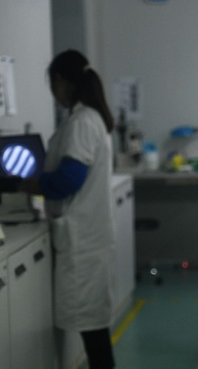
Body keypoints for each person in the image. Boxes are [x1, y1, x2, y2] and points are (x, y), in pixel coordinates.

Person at [19, 49, 116, 369]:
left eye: (52, 83)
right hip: (86, 237)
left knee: (93, 329)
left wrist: (28, 184)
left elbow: (68, 179)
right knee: (93, 326)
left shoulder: (82, 121)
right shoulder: (88, 118)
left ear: (61, 81)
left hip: (82, 242)